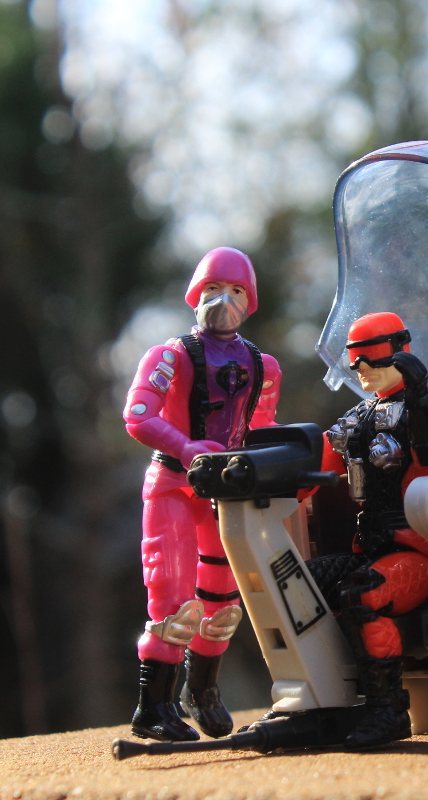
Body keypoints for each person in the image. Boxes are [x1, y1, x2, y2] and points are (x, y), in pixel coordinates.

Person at [122, 247, 282, 741]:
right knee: (173, 602)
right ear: (195, 295)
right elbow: (138, 416)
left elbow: (261, 427)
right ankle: (154, 706)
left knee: (224, 603)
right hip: (173, 483)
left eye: (235, 290)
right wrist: (187, 447)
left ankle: (202, 691)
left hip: (224, 490)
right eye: (213, 288)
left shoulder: (263, 366)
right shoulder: (168, 356)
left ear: (249, 301)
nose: (223, 300)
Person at [306, 311, 428, 747]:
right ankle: (318, 697)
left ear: (400, 355)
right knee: (295, 584)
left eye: (372, 359)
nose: (363, 370)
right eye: (355, 362)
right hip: (370, 549)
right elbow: (315, 470)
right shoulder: (357, 418)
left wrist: (420, 397)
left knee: (362, 595)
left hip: (420, 553)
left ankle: (388, 710)